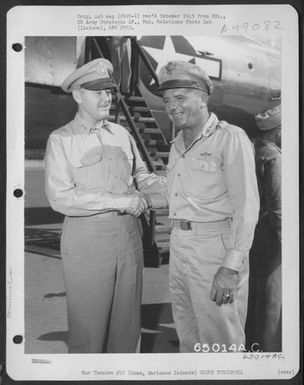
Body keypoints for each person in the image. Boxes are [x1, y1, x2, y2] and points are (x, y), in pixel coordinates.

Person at [44, 58, 166, 353]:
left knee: (127, 329)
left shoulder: (122, 134)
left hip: (128, 238)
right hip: (88, 240)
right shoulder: (61, 140)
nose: (106, 98)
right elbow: (60, 197)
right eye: (97, 92)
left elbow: (141, 177)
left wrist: (174, 183)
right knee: (88, 331)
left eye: (109, 91)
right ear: (77, 95)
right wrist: (121, 201)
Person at [157, 61, 260, 353]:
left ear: (202, 97)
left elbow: (247, 207)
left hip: (214, 248)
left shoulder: (230, 138)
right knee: (188, 333)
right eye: (167, 100)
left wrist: (230, 266)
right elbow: (179, 194)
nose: (171, 107)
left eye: (180, 98)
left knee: (221, 338)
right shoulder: (177, 142)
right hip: (179, 245)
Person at [246, 105, 282, 352]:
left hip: (254, 231)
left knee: (253, 291)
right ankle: (269, 349)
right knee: (272, 296)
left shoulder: (253, 150)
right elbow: (278, 204)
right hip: (270, 231)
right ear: (278, 131)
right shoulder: (274, 157)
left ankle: (250, 342)